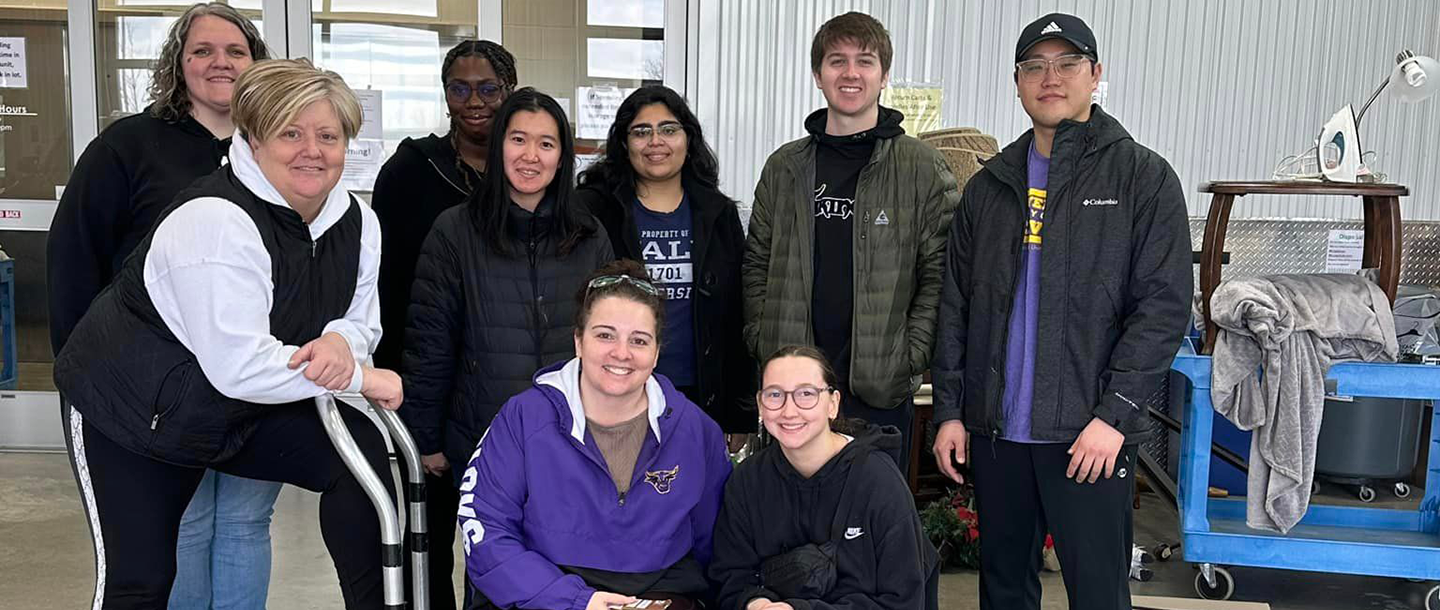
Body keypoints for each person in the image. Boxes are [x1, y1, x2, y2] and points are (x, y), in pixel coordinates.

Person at [54, 58, 404, 610]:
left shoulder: (358, 222)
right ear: (254, 138)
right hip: (134, 408)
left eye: (328, 135)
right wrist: (360, 377)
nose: (312, 150)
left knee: (361, 469)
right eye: (290, 133)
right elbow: (238, 364)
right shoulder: (215, 220)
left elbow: (362, 318)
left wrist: (342, 342)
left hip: (237, 404)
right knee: (140, 577)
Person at [929, 13, 1192, 610]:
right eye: (1034, 66)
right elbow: (956, 307)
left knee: (1098, 592)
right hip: (997, 434)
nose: (1051, 78)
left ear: (1096, 75)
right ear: (1017, 81)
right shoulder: (990, 185)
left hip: (1087, 435)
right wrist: (950, 410)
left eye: (1068, 63)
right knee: (1003, 588)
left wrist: (1114, 416)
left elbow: (1162, 307)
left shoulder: (1142, 178)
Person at [44, 5, 284, 608]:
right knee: (185, 527)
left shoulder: (277, 151)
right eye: (202, 50)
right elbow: (75, 257)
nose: (220, 62)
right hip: (155, 390)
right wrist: (85, 378)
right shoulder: (128, 146)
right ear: (178, 64)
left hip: (257, 378)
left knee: (245, 526)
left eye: (235, 50)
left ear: (256, 62)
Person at [400, 88, 614, 583]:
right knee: (493, 568)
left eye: (546, 143)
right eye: (518, 139)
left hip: (573, 437)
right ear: (498, 147)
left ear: (563, 158)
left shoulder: (588, 235)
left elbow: (608, 343)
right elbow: (430, 341)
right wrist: (427, 435)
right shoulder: (455, 231)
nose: (531, 156)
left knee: (568, 568)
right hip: (482, 436)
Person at [743, 11, 960, 479]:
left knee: (873, 523)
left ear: (883, 75)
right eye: (836, 60)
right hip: (794, 384)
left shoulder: (921, 169)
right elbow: (756, 260)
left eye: (865, 60)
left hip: (878, 385)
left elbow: (940, 273)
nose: (851, 72)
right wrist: (763, 337)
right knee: (791, 520)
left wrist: (910, 354)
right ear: (818, 74)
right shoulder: (785, 167)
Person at [457, 259, 732, 610]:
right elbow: (486, 533)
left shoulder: (695, 430)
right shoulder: (523, 418)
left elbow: (718, 547)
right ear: (578, 341)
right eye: (605, 335)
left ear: (657, 352)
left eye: (639, 340)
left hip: (660, 591)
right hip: (547, 591)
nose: (621, 353)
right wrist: (575, 600)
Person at [370, 38, 516, 610]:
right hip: (424, 376)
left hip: (499, 378)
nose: (474, 101)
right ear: (445, 93)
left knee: (498, 535)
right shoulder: (411, 170)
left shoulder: (525, 167)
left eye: (488, 89)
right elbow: (383, 283)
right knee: (426, 534)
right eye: (460, 88)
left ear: (508, 92)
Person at [576, 85, 755, 436]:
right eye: (641, 131)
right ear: (624, 144)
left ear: (688, 141)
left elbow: (738, 314)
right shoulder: (593, 211)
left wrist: (740, 413)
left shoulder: (717, 214)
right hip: (615, 389)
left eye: (669, 129)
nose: (656, 141)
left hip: (700, 395)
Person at [710, 345, 938, 610]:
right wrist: (755, 603)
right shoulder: (747, 482)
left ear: (833, 403)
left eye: (806, 394)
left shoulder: (879, 482)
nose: (789, 410)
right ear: (761, 404)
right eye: (775, 395)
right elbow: (729, 577)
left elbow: (905, 600)